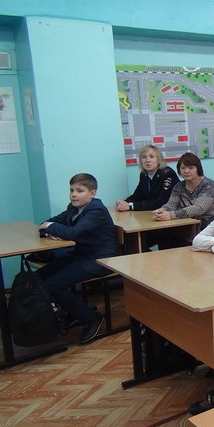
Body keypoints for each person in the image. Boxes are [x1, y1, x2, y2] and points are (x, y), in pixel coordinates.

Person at [36, 173, 120, 344]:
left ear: (92, 193)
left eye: (79, 191)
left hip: (100, 258)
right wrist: (49, 231)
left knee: (53, 286)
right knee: (38, 278)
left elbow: (71, 233)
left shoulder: (96, 210)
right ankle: (73, 311)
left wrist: (51, 227)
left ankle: (91, 318)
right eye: (71, 190)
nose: (73, 195)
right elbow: (49, 222)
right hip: (80, 254)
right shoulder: (73, 207)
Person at [153, 152, 214, 247]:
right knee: (163, 234)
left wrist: (170, 215)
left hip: (209, 225)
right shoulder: (179, 186)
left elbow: (198, 208)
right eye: (183, 168)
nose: (186, 171)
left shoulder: (209, 185)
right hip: (189, 226)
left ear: (198, 169)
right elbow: (171, 205)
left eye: (191, 168)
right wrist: (162, 210)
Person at [115, 144, 179, 211]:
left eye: (152, 157)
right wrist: (124, 203)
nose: (147, 160)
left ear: (158, 159)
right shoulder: (144, 175)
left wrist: (131, 206)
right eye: (144, 157)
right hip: (154, 213)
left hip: (172, 213)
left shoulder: (168, 174)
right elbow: (138, 195)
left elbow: (161, 203)